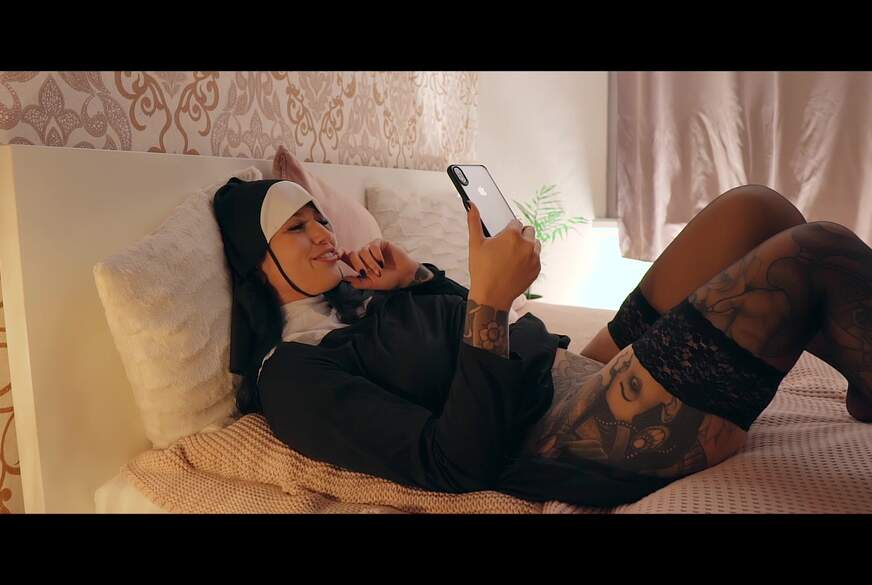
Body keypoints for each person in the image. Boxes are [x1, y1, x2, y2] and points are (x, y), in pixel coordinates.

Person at [211, 148, 872, 507]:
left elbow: (464, 337)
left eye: (320, 219)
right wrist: (491, 301)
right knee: (817, 253)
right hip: (570, 430)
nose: (323, 236)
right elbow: (452, 460)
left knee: (754, 210)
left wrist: (419, 279)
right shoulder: (292, 375)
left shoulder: (362, 299)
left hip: (569, 368)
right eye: (296, 228)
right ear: (254, 260)